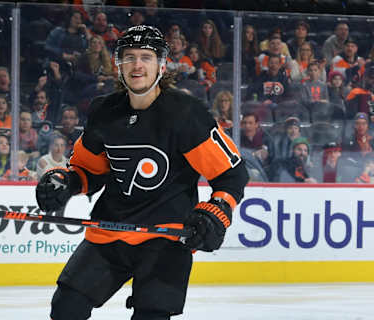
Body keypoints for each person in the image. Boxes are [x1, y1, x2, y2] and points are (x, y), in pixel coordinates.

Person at [35, 25, 248, 320]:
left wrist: (217, 210)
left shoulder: (186, 114)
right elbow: (88, 171)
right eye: (130, 57)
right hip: (111, 231)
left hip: (165, 238)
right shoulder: (104, 111)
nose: (137, 65)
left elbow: (231, 174)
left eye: (146, 57)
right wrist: (65, 182)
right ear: (118, 64)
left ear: (161, 65)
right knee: (66, 308)